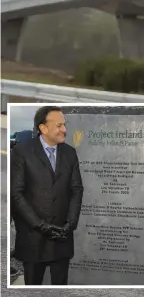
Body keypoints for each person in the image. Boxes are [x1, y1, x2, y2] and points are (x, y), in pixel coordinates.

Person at [10, 106, 84, 285]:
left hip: (62, 236)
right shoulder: (22, 152)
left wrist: (70, 224)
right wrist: (41, 226)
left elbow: (76, 189)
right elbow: (16, 194)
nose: (64, 129)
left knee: (60, 287)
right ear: (43, 128)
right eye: (59, 125)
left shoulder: (69, 153)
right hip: (33, 237)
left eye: (64, 125)